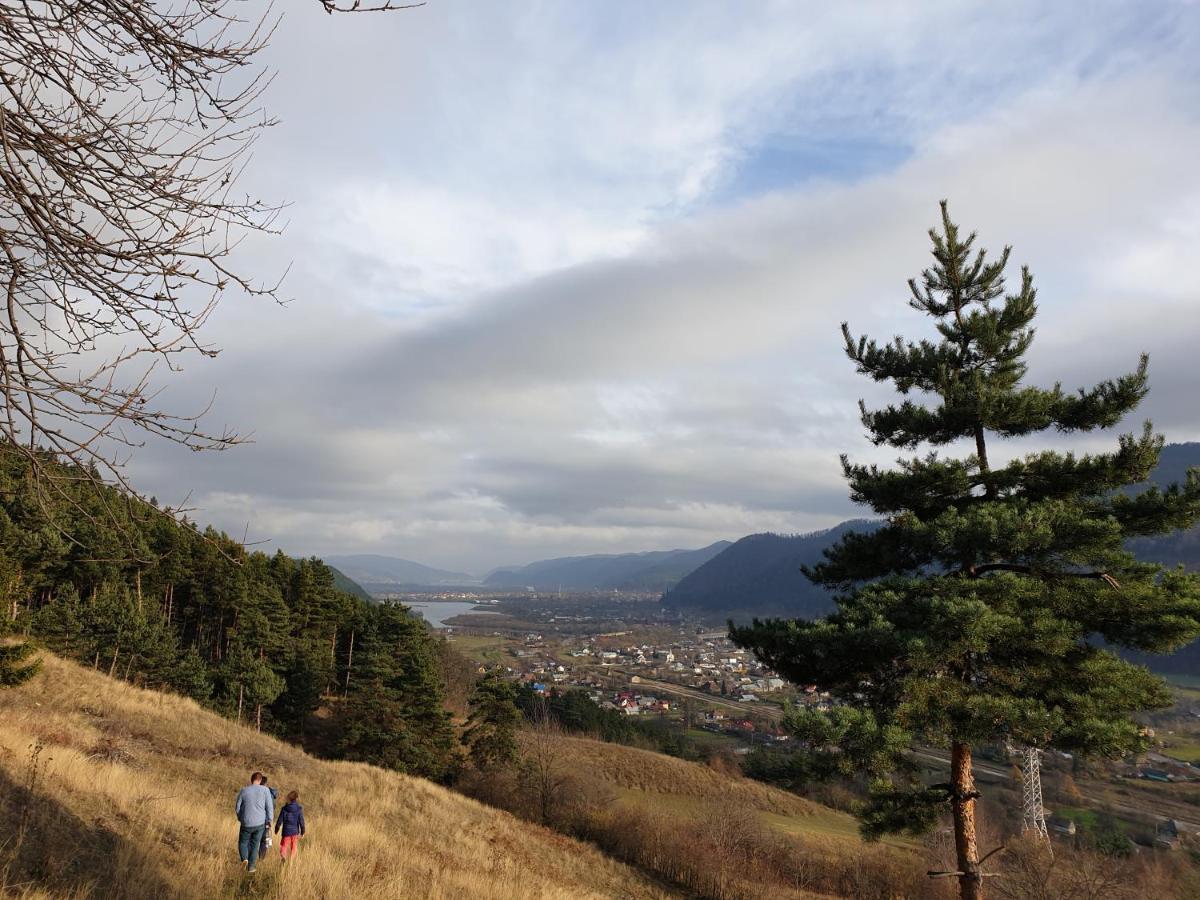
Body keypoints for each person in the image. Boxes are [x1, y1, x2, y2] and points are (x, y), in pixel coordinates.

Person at [234, 771, 275, 873]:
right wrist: (270, 820)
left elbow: (237, 807)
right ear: (260, 780)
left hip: (246, 822)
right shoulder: (265, 790)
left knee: (243, 842)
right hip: (260, 823)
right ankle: (252, 867)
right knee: (255, 844)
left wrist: (240, 818)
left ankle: (244, 858)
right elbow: (269, 807)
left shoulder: (244, 790)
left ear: (251, 779)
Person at [274, 790, 306, 860]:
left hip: (286, 832)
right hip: (295, 832)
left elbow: (279, 821)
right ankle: (291, 860)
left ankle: (283, 857)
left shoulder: (284, 809)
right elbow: (301, 821)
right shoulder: (299, 809)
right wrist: (302, 832)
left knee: (284, 846)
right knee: (294, 846)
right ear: (296, 799)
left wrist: (276, 829)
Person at [259, 776, 279, 859]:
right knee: (266, 840)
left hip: (259, 819)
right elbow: (273, 806)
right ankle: (262, 858)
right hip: (267, 820)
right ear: (266, 783)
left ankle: (254, 857)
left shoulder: (258, 791)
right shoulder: (270, 793)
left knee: (256, 838)